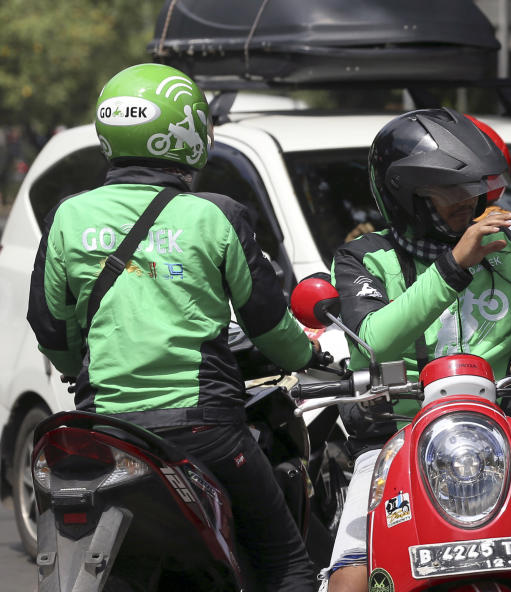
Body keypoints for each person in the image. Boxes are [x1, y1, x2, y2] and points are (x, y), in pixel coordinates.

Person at [27, 63, 319, 592]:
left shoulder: (68, 217)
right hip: (204, 430)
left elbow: (50, 328)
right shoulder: (216, 215)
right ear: (188, 133)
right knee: (288, 564)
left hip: (106, 432)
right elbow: (271, 325)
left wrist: (79, 368)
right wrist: (308, 359)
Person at [325, 108, 511, 592]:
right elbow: (373, 341)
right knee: (351, 582)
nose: (472, 201)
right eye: (453, 191)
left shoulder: (505, 249)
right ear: (410, 194)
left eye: (476, 189)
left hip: (497, 442)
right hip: (394, 441)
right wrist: (453, 266)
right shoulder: (365, 257)